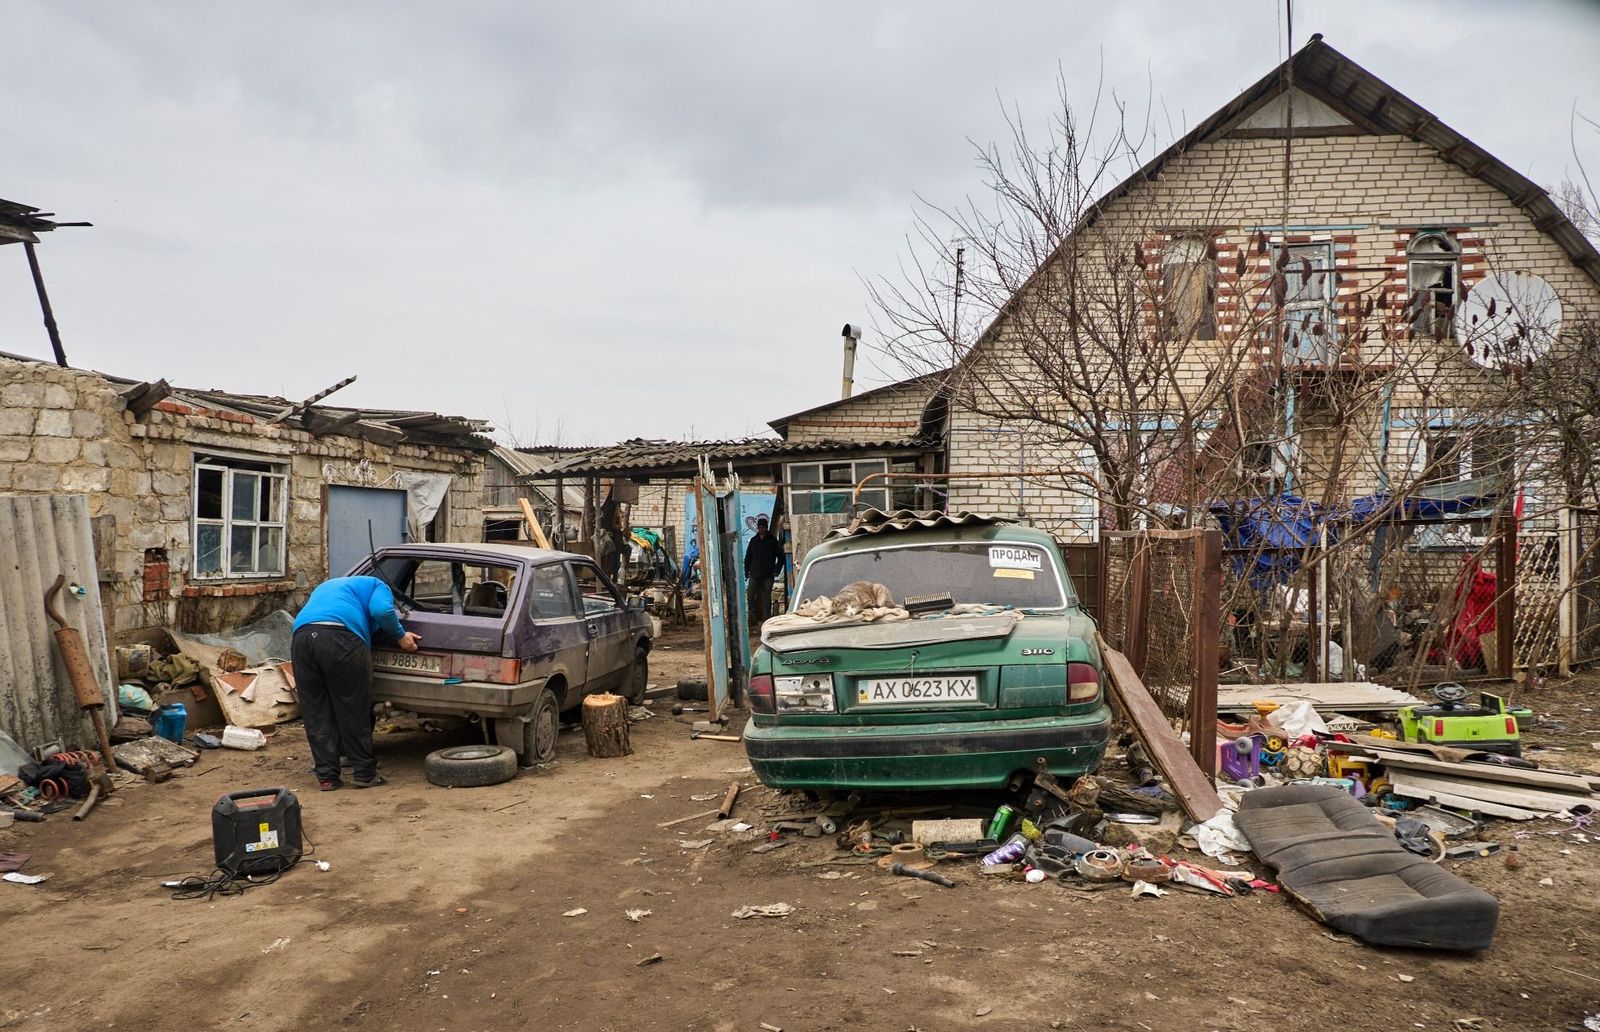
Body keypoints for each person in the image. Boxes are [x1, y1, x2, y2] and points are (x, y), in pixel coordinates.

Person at [291, 575, 420, 791]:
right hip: (340, 638)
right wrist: (399, 635)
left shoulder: (330, 586)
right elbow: (382, 612)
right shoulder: (378, 585)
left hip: (302, 638)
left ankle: (327, 777)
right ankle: (364, 773)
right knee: (352, 706)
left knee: (316, 710)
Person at [743, 515, 785, 626]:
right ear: (757, 528)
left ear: (766, 528)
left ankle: (767, 620)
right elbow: (748, 557)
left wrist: (776, 570)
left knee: (767, 597)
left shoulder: (772, 541)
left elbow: (781, 557)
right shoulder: (753, 540)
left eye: (763, 527)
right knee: (750, 595)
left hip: (768, 575)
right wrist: (746, 571)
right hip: (754, 574)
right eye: (759, 527)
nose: (761, 529)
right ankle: (752, 618)